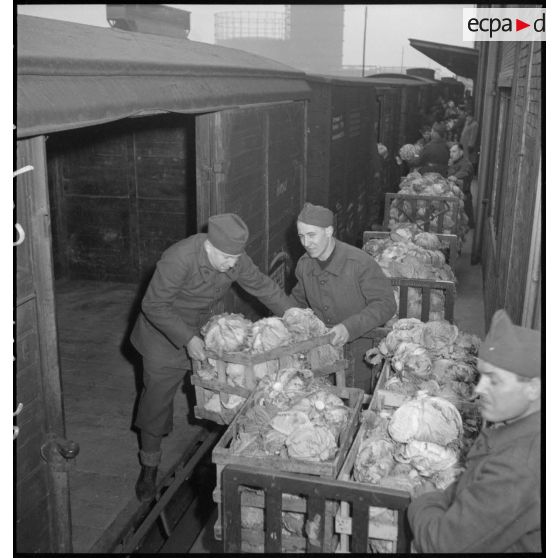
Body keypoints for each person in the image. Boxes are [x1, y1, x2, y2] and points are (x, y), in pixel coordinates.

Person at [130, 213, 295, 501]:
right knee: (156, 401)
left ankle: (222, 448)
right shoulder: (179, 258)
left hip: (202, 329)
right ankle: (149, 464)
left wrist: (295, 314)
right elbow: (153, 304)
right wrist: (187, 339)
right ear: (209, 246)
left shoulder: (233, 256)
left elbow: (262, 286)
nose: (233, 264)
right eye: (227, 258)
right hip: (163, 334)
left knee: (223, 390)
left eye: (236, 257)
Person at [408, 309, 541, 553]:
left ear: (533, 388)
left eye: (495, 380)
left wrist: (424, 501)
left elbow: (442, 545)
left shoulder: (519, 467)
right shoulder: (518, 427)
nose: (479, 388)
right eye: (481, 376)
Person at [288, 203, 396, 393]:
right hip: (321, 356)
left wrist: (349, 327)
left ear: (329, 231)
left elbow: (386, 304)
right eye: (301, 236)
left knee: (356, 400)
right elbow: (297, 302)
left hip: (361, 354)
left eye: (312, 235)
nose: (305, 243)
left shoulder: (359, 263)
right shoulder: (305, 265)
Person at [448, 143, 475, 228]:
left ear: (461, 153)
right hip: (458, 198)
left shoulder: (466, 164)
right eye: (450, 151)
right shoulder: (455, 162)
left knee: (464, 225)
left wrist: (455, 177)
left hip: (464, 199)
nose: (451, 154)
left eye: (454, 151)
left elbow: (464, 173)